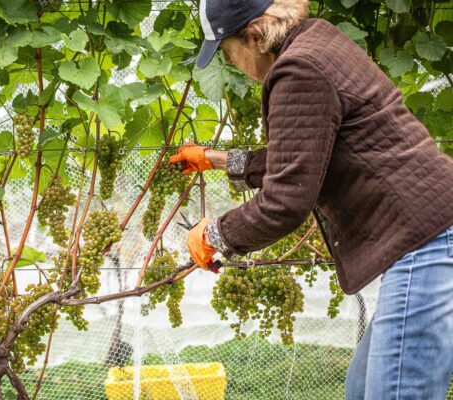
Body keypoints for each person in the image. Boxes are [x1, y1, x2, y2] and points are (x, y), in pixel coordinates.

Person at [169, 0, 453, 399]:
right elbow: (306, 154)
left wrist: (214, 234)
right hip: (434, 231)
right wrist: (218, 160)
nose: (232, 65)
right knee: (362, 389)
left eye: (228, 53)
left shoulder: (298, 70)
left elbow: (284, 203)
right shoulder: (317, 39)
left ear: (253, 36)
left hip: (428, 242)